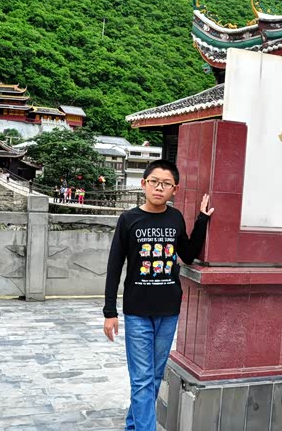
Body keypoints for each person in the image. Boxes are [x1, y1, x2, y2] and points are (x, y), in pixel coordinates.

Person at [103, 159, 214, 431]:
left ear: (175, 189)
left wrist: (202, 220)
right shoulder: (128, 219)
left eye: (166, 184)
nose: (159, 188)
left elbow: (188, 254)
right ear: (144, 184)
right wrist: (109, 311)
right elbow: (114, 266)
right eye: (154, 182)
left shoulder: (175, 218)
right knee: (141, 379)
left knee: (152, 377)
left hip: (168, 311)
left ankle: (134, 426)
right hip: (137, 312)